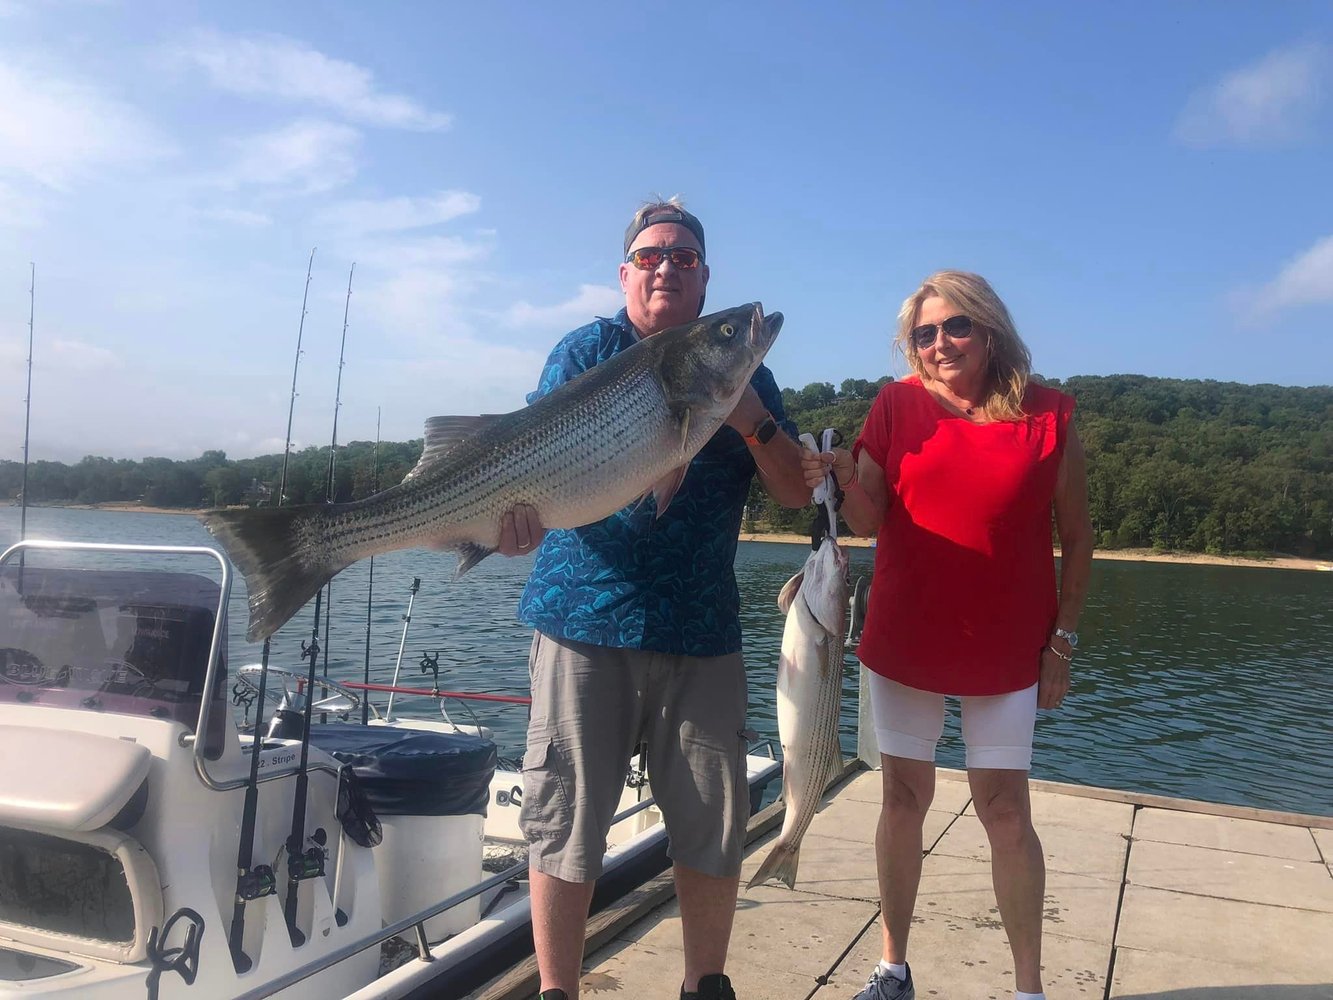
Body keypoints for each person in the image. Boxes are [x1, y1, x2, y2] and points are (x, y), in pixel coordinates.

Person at [499, 199, 811, 1000]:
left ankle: (705, 986)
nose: (664, 268)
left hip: (699, 630)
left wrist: (751, 420)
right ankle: (557, 991)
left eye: (682, 258)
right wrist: (504, 523)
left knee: (710, 825)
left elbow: (792, 498)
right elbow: (524, 465)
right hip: (580, 621)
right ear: (625, 272)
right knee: (565, 823)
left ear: (705, 278)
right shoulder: (587, 350)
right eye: (649, 256)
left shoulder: (748, 370)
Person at [803, 271, 1093, 1000]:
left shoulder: (1050, 415)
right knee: (901, 798)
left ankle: (1028, 989)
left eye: (955, 326)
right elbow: (868, 520)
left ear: (989, 330)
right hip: (904, 634)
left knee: (1005, 811)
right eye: (924, 333)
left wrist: (1061, 644)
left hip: (1007, 645)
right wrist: (841, 476)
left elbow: (1078, 540)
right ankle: (891, 969)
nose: (940, 343)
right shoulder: (895, 404)